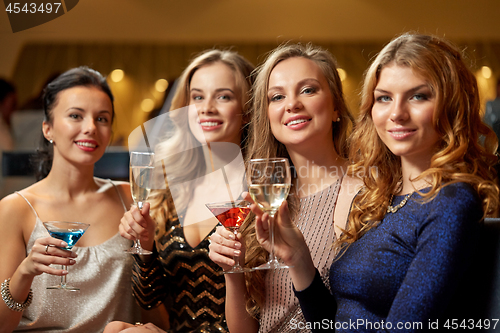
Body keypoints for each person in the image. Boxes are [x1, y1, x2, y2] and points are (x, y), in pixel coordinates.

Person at [248, 34, 500, 332]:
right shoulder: (384, 198)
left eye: (418, 96)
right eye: (384, 98)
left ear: (452, 104)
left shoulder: (450, 202)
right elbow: (333, 325)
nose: (397, 113)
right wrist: (299, 259)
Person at [208, 43, 362, 333]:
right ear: (268, 116)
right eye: (277, 96)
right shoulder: (263, 198)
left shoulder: (366, 192)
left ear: (336, 107)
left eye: (308, 90)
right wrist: (233, 271)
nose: (292, 104)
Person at [104, 49, 255, 333]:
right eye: (197, 97)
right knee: (116, 329)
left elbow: (269, 305)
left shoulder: (260, 192)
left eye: (223, 96)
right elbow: (148, 299)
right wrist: (145, 247)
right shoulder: (169, 191)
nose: (206, 107)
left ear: (247, 111)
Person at [0, 66, 140, 333]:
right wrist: (25, 272)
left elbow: (153, 306)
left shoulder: (128, 197)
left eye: (102, 118)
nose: (90, 128)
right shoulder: (15, 208)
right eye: (76, 115)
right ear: (48, 129)